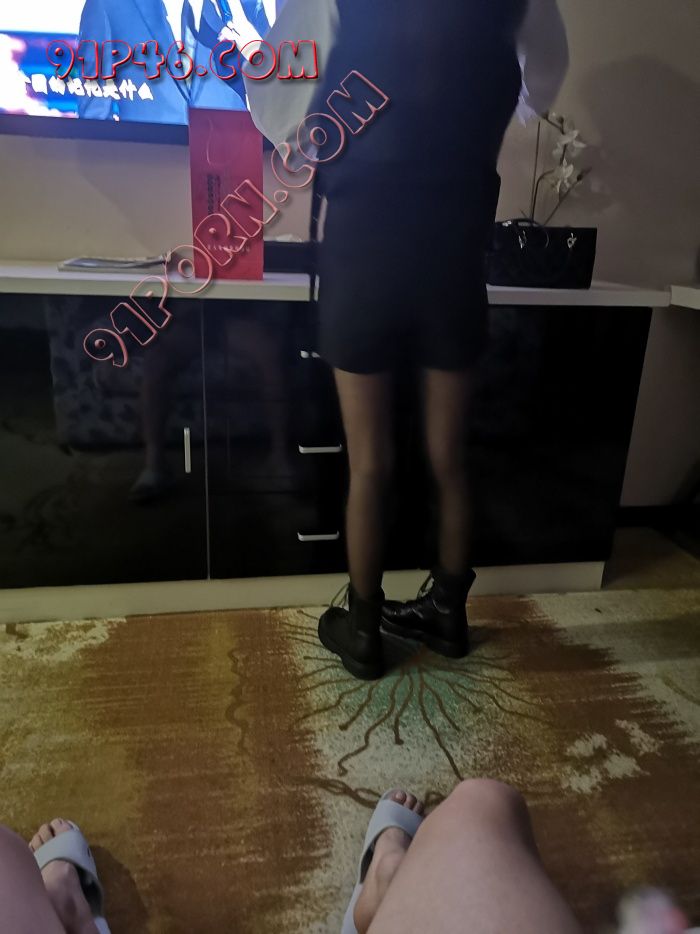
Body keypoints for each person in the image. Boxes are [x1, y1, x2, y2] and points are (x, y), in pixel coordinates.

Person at [245, 0, 569, 680]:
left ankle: (363, 631)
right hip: (454, 254)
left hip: (364, 250)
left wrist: (315, 137)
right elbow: (544, 77)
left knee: (370, 463)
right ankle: (447, 616)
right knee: (449, 458)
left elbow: (274, 99)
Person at [76, 0, 274, 123]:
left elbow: (279, 104)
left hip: (232, 168)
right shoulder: (108, 5)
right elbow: (95, 117)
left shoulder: (243, 8)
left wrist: (253, 46)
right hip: (147, 169)